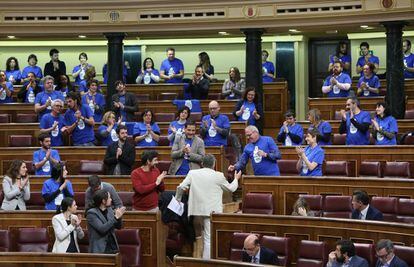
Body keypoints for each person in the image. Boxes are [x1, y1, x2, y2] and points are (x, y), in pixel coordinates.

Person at [175, 154, 242, 259]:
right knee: (208, 238)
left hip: (195, 211)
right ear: (214, 164)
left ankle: (200, 257)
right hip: (210, 212)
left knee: (200, 236)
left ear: (202, 164)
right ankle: (206, 262)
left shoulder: (192, 173)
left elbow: (181, 187)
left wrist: (178, 201)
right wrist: (236, 179)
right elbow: (231, 189)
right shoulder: (218, 175)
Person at [86, 189, 125, 254]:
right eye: (109, 198)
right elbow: (102, 229)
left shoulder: (109, 210)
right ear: (103, 201)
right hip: (100, 250)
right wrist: (115, 218)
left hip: (113, 247)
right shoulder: (91, 213)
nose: (111, 199)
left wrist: (119, 217)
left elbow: (119, 227)